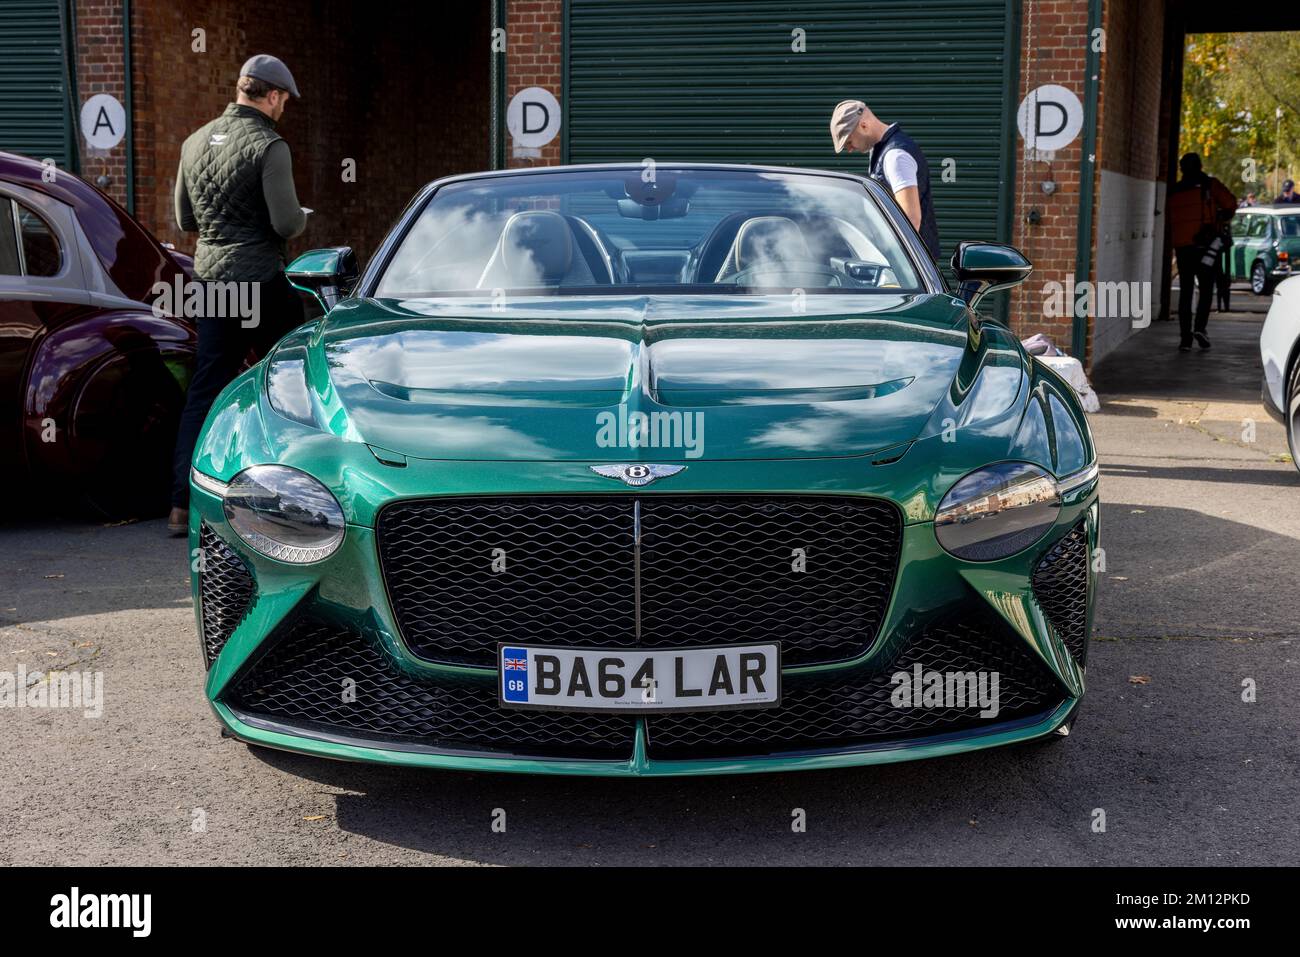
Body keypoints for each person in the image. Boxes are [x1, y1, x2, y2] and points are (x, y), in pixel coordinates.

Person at [167, 55, 308, 534]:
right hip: (261, 279)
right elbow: (286, 222)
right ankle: (295, 499)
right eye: (283, 100)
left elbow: (185, 221)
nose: (283, 109)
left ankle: (181, 505)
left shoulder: (193, 141)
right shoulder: (269, 145)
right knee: (291, 379)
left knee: (206, 385)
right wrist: (303, 217)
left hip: (210, 280)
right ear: (271, 95)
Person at [830, 99, 940, 259]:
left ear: (864, 126)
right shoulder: (882, 150)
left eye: (849, 141)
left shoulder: (895, 156)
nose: (849, 149)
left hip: (909, 265)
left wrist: (893, 266)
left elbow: (911, 220)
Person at [1167, 153, 1236, 352]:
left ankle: (1185, 339)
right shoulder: (1210, 185)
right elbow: (1231, 204)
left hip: (1182, 248)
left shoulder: (1175, 190)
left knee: (1186, 292)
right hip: (1205, 248)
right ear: (1200, 166)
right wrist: (1220, 217)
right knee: (1206, 290)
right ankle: (1200, 328)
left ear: (1182, 169)